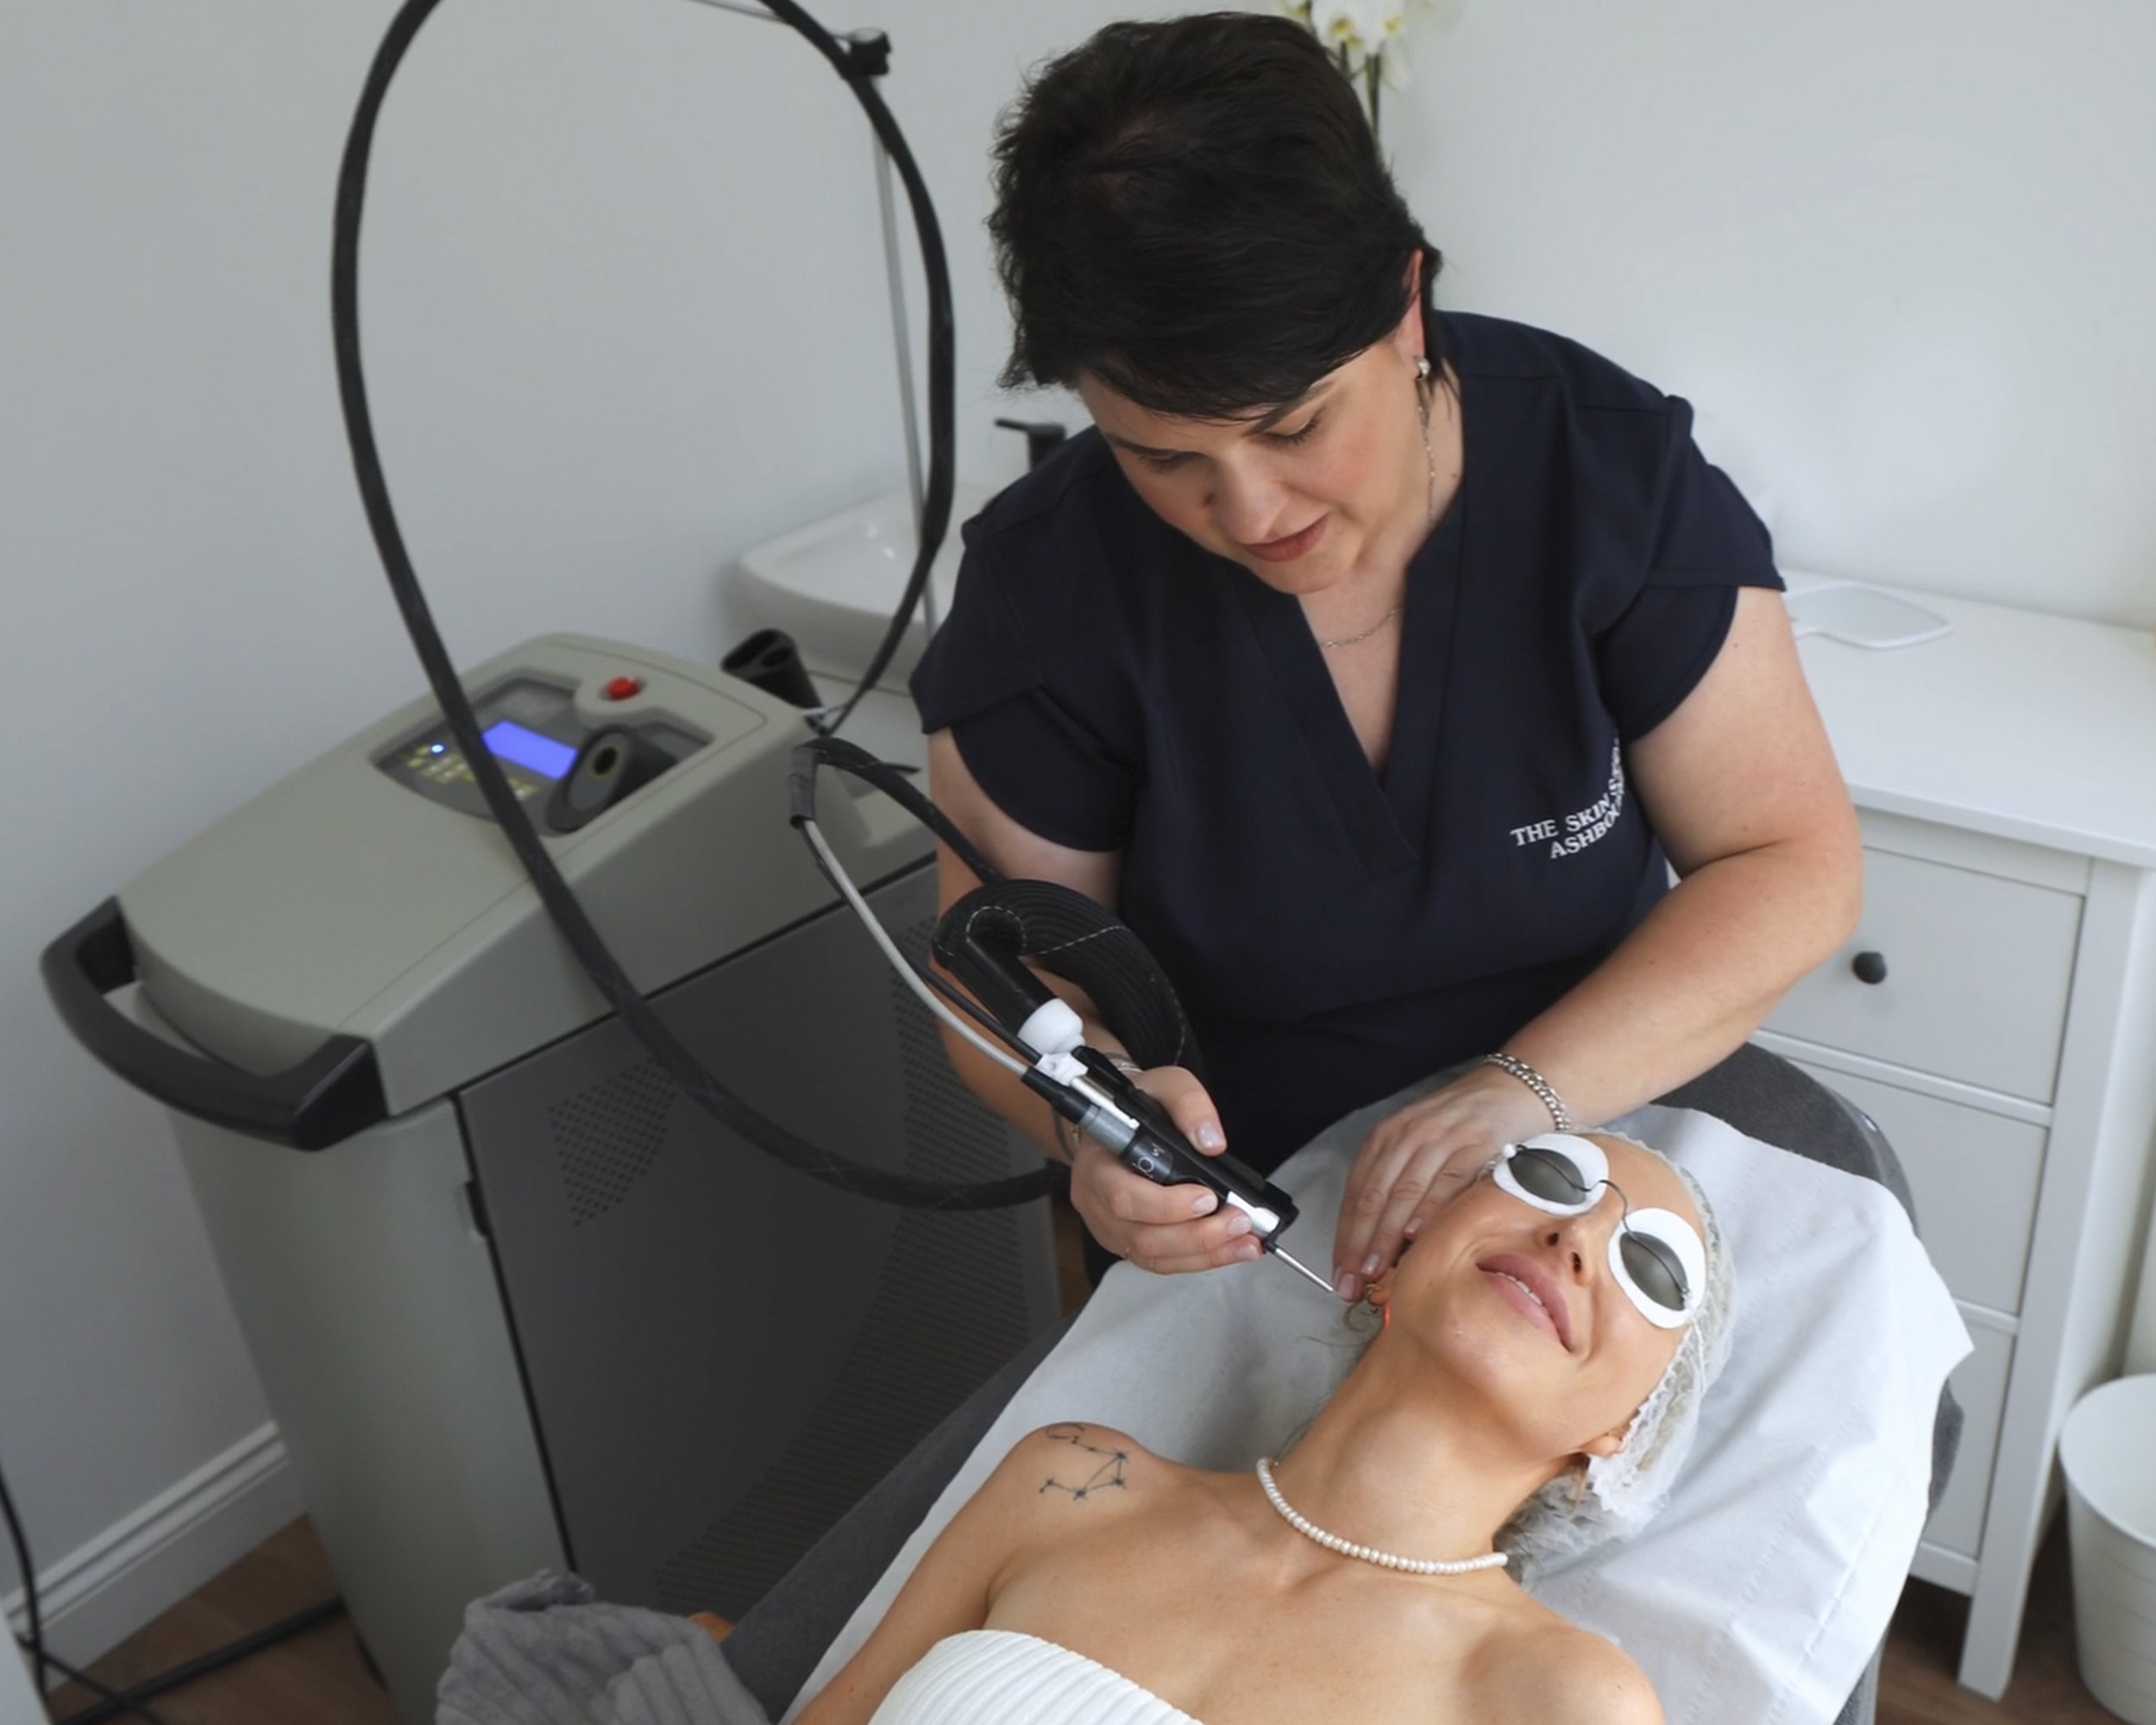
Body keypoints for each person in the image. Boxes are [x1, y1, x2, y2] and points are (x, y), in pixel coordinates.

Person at [912, 13, 1861, 1300]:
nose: (1248, 510)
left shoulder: (1602, 477)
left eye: (1293, 426)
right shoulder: (1051, 587)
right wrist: (1097, 1134)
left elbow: (1786, 860)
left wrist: (1520, 1092)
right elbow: (995, 970)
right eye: (1163, 456)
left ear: (1406, 307)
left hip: (1600, 1132)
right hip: (1254, 1207)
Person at [793, 1132, 1732, 1724]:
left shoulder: (1562, 1698)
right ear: (1398, 1253)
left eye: (1652, 1268)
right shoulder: (1068, 1481)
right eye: (1550, 1175)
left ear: (1625, 1433)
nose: (1577, 1236)